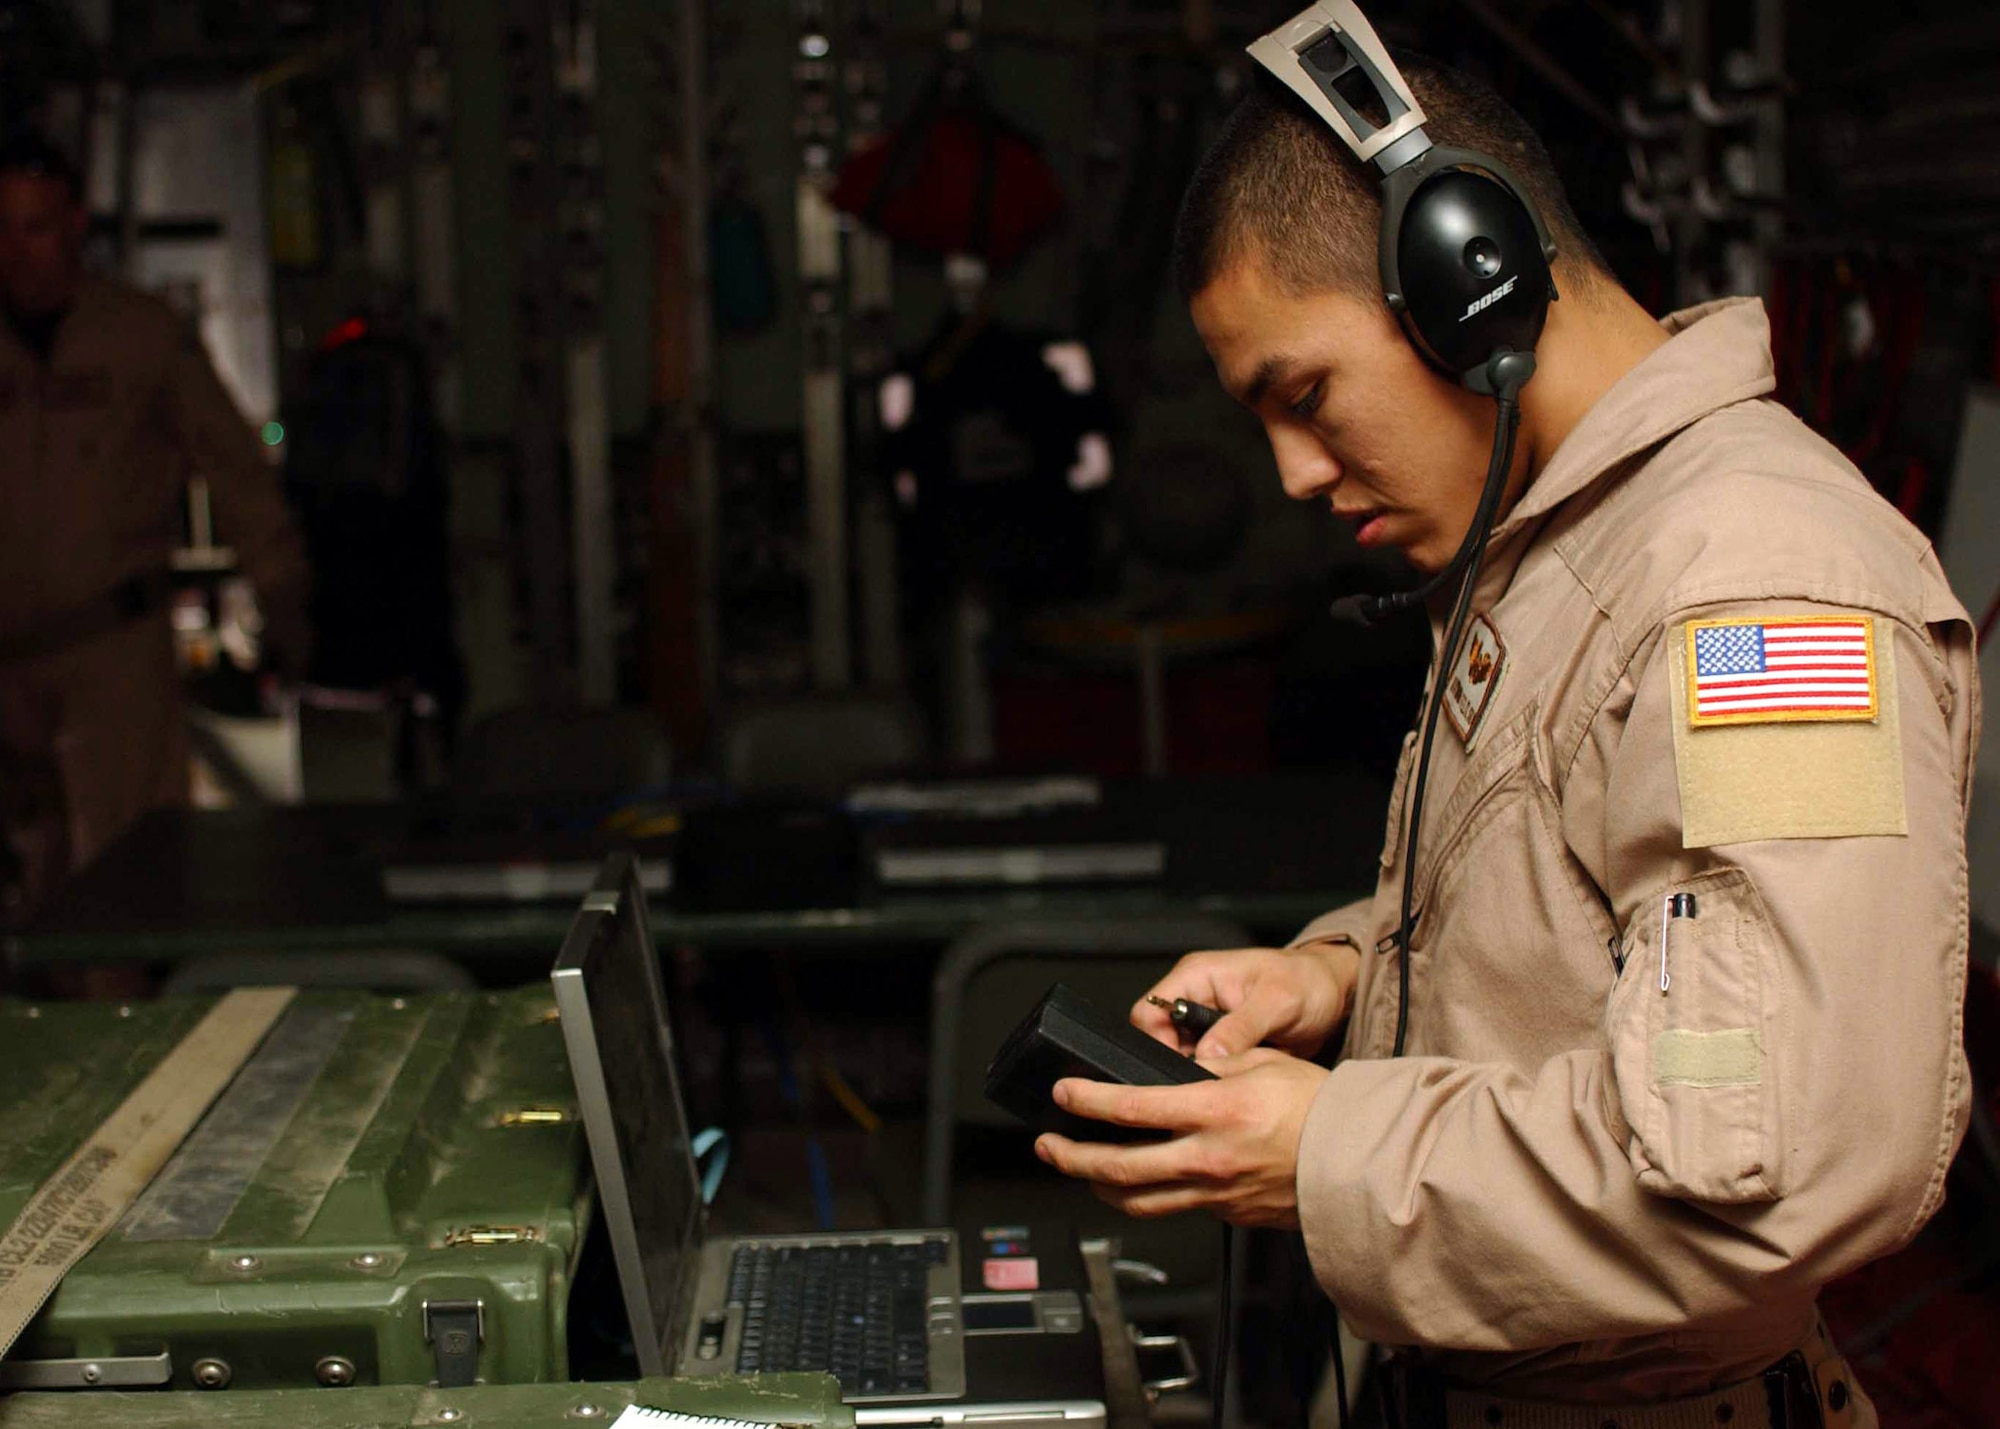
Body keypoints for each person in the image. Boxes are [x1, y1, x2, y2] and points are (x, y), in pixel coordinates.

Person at [1032, 55, 1977, 1429]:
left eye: (1304, 394)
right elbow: (1633, 916)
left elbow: (1775, 1158)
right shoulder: (1573, 545)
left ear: (1470, 286)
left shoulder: (1756, 596)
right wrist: (1340, 974)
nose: (1294, 473)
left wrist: (1322, 1149)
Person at [0, 132, 309, 919]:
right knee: (33, 896)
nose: (17, 251)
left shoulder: (137, 334)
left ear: (75, 223)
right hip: (9, 665)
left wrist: (281, 592)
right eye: (2, 229)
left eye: (34, 227)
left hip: (112, 651)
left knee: (130, 879)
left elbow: (231, 464)